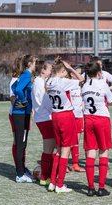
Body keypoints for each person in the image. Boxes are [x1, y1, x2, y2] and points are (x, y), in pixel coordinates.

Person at [46, 58, 83, 193]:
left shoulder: (48, 81)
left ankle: (52, 182)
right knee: (65, 151)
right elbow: (81, 80)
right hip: (66, 116)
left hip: (55, 115)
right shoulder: (63, 81)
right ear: (62, 71)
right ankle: (60, 184)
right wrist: (71, 69)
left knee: (58, 149)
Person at [82, 62, 112, 197]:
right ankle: (101, 187)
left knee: (90, 153)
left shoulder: (84, 86)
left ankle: (90, 187)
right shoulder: (102, 84)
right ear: (99, 72)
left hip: (88, 119)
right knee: (103, 152)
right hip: (102, 119)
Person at [11, 55, 37, 183]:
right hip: (20, 113)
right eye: (34, 62)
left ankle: (22, 169)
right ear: (30, 64)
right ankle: (19, 174)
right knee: (20, 144)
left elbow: (13, 87)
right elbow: (18, 89)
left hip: (23, 113)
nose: (35, 65)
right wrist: (24, 101)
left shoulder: (25, 75)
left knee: (23, 143)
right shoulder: (26, 74)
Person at [31, 61, 56, 186]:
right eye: (50, 69)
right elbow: (45, 100)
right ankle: (45, 176)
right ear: (43, 70)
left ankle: (47, 175)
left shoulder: (38, 82)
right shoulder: (40, 83)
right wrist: (56, 109)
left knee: (50, 149)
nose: (51, 72)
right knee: (49, 149)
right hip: (45, 118)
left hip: (42, 118)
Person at [69, 66, 85, 173]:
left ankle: (75, 164)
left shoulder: (81, 86)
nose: (80, 76)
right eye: (77, 73)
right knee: (66, 142)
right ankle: (64, 163)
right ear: (71, 74)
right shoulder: (67, 84)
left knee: (76, 141)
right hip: (69, 116)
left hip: (79, 116)